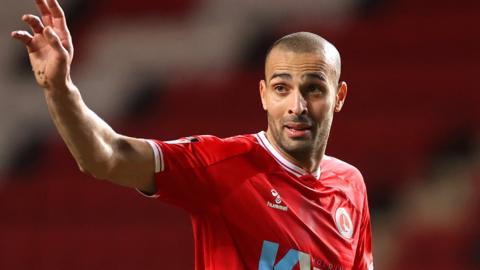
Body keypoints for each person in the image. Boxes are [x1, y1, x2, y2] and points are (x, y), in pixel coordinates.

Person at [11, 0, 374, 269]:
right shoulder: (222, 166)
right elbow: (105, 156)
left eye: (313, 88)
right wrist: (60, 88)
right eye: (282, 88)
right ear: (263, 94)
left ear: (338, 97)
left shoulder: (350, 185)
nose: (297, 105)